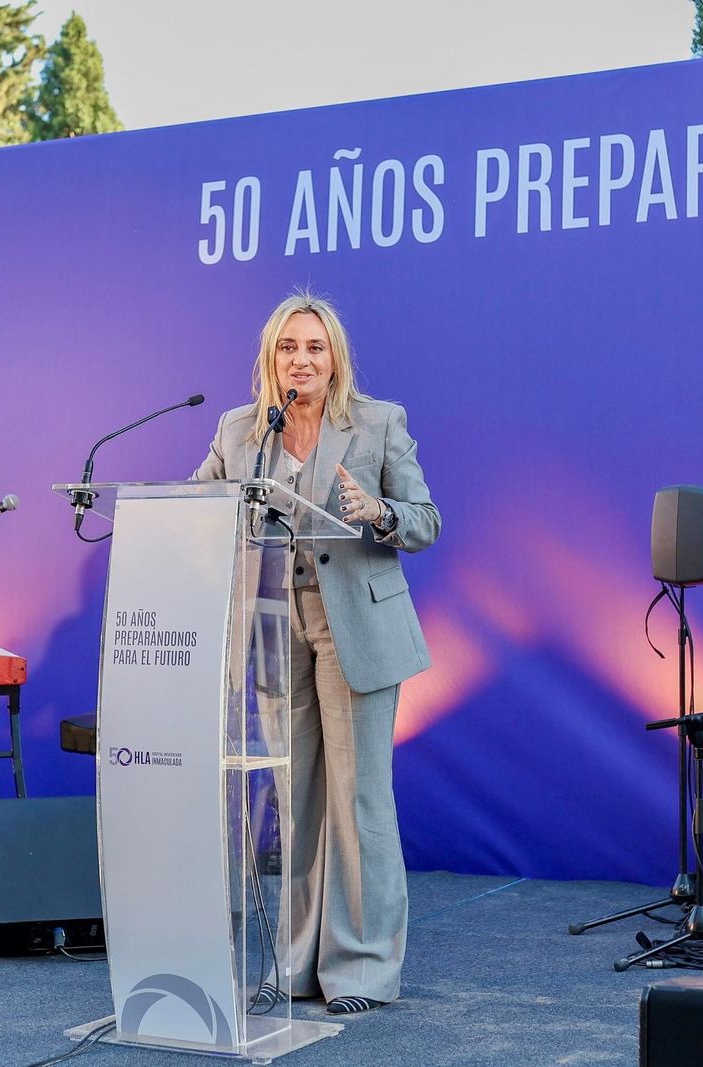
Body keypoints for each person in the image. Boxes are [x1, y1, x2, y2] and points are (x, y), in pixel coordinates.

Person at [193, 291, 439, 1015]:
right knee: (294, 801)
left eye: (315, 347)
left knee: (358, 798)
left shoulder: (378, 422)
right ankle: (298, 961)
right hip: (276, 623)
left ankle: (361, 967)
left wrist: (379, 512)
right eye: (288, 347)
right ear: (270, 358)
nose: (301, 360)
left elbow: (425, 520)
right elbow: (196, 504)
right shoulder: (241, 430)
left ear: (336, 359)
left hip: (354, 626)